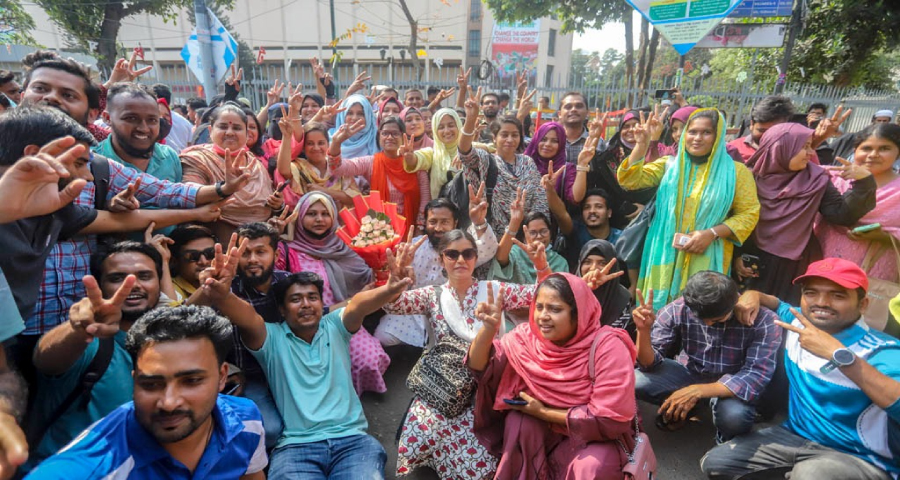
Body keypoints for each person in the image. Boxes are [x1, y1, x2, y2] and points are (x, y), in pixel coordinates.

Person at [198, 237, 415, 479]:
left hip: (353, 442)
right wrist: (222, 295)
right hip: (296, 448)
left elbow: (358, 305)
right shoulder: (271, 338)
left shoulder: (335, 326)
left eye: (312, 297)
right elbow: (248, 316)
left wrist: (391, 287)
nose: (305, 304)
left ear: (322, 304)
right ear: (281, 309)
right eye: (295, 299)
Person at [701, 258, 900, 479]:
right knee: (716, 464)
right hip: (796, 437)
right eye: (811, 293)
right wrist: (754, 294)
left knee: (810, 474)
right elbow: (778, 304)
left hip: (859, 457)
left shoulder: (883, 351)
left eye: (838, 295)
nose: (822, 302)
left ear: (863, 305)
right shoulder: (798, 322)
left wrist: (838, 356)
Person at [25, 306, 268, 479]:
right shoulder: (93, 467)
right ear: (135, 380)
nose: (169, 402)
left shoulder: (246, 419)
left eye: (191, 381)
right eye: (151, 384)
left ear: (223, 376)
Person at [384, 229, 546, 478]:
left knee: (479, 460)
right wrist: (394, 280)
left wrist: (541, 266)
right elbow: (393, 304)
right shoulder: (432, 295)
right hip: (442, 388)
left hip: (485, 389)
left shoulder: (495, 290)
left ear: (475, 258)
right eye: (452, 254)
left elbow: (539, 295)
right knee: (420, 433)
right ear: (441, 259)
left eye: (468, 253)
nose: (460, 260)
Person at [467, 273, 638, 479]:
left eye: (555, 309)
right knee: (519, 421)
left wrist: (544, 412)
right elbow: (481, 368)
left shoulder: (607, 347)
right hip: (541, 433)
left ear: (579, 314)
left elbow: (608, 419)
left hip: (594, 437)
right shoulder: (525, 340)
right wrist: (488, 330)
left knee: (592, 466)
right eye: (539, 307)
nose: (543, 316)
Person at [26, 241, 175, 470]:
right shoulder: (89, 342)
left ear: (160, 282)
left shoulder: (167, 342)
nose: (132, 284)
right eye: (117, 278)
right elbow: (46, 358)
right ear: (99, 285)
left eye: (144, 276)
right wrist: (78, 330)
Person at [618, 108, 760, 310]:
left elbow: (749, 213)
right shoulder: (669, 165)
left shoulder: (736, 173)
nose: (697, 138)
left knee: (700, 309)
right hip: (663, 250)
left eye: (706, 132)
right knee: (656, 312)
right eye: (692, 132)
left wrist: (711, 234)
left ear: (718, 135)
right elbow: (629, 180)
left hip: (707, 251)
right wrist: (641, 146)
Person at [633, 271, 780, 443]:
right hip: (689, 372)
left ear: (735, 303)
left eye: (718, 320)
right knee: (635, 380)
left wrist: (697, 391)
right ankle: (690, 409)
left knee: (734, 417)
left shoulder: (763, 320)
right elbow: (648, 364)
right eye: (701, 319)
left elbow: (755, 376)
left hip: (730, 386)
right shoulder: (678, 308)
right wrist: (643, 331)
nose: (708, 325)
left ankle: (725, 444)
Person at [741, 122, 876, 303]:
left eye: (809, 147)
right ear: (781, 148)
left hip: (794, 263)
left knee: (784, 313)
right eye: (804, 147)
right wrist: (737, 256)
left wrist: (864, 183)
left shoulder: (816, 179)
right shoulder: (749, 177)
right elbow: (736, 218)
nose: (811, 153)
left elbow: (841, 214)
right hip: (751, 258)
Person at [277, 192, 389, 395]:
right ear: (300, 217)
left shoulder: (345, 245)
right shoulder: (287, 250)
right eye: (311, 214)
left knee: (369, 360)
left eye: (325, 213)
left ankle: (353, 397)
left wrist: (383, 265)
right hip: (304, 324)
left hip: (343, 318)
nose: (319, 219)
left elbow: (365, 275)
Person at [374, 196, 499, 347]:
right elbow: (395, 285)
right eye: (433, 222)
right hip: (411, 311)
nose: (438, 228)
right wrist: (401, 268)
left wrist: (479, 222)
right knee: (383, 336)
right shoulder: (413, 246)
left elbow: (489, 249)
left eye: (445, 222)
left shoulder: (464, 248)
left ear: (455, 223)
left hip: (448, 311)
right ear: (425, 223)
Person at [180, 102, 280, 241]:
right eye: (223, 126)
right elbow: (189, 193)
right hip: (218, 243)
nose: (230, 132)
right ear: (210, 130)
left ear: (246, 133)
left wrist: (277, 206)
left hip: (259, 247)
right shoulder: (199, 159)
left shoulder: (255, 163)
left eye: (237, 128)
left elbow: (266, 204)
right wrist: (224, 189)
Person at [230, 222, 291, 448]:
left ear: (275, 254)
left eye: (260, 252)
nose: (253, 259)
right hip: (250, 376)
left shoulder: (288, 283)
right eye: (245, 253)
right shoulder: (228, 291)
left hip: (288, 371)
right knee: (272, 430)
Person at [816, 123, 900, 288]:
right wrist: (817, 140)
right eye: (866, 148)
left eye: (884, 148)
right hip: (822, 262)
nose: (873, 155)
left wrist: (886, 237)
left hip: (875, 271)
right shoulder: (833, 177)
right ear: (855, 151)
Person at [458, 88, 549, 237]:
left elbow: (540, 201)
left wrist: (536, 232)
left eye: (515, 135)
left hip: (526, 237)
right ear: (494, 138)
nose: (510, 140)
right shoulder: (486, 160)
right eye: (504, 135)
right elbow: (464, 152)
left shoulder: (528, 163)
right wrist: (470, 119)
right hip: (491, 237)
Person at [330, 116, 431, 227]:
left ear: (403, 136)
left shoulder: (414, 162)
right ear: (379, 136)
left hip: (411, 227)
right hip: (380, 230)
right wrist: (336, 142)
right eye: (385, 133)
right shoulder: (371, 163)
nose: (389, 137)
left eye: (395, 133)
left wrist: (420, 227)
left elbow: (425, 198)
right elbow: (338, 169)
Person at [275, 118, 358, 210]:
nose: (316, 148)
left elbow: (355, 199)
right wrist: (287, 137)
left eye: (321, 143)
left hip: (342, 222)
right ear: (303, 147)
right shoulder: (299, 167)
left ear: (328, 144)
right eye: (310, 143)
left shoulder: (339, 167)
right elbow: (283, 170)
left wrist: (323, 191)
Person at [491, 195, 569, 284]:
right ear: (524, 236)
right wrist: (514, 221)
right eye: (533, 233)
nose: (539, 236)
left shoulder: (560, 262)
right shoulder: (516, 252)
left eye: (543, 231)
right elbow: (500, 259)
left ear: (550, 233)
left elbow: (560, 291)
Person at [577, 240, 633, 332]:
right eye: (587, 262)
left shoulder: (622, 299)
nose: (593, 268)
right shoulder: (567, 292)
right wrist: (579, 290)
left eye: (602, 263)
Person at [727, 95, 796, 163]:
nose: (767, 137)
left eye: (774, 132)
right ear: (751, 125)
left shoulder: (795, 153)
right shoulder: (732, 149)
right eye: (762, 130)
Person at [523, 121, 577, 204]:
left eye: (554, 141)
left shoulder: (566, 170)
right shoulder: (523, 164)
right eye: (543, 139)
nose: (548, 144)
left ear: (561, 144)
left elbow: (575, 198)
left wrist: (583, 165)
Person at [169, 224, 218, 301]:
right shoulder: (169, 291)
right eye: (193, 256)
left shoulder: (230, 284)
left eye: (210, 253)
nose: (203, 262)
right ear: (175, 261)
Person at [558, 91, 607, 163]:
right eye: (568, 107)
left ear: (587, 113)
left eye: (579, 106)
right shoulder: (550, 141)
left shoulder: (598, 142)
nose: (573, 109)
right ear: (559, 114)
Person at [151, 83, 192, 153]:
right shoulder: (185, 122)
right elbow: (190, 145)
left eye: (166, 117)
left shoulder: (170, 155)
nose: (162, 121)